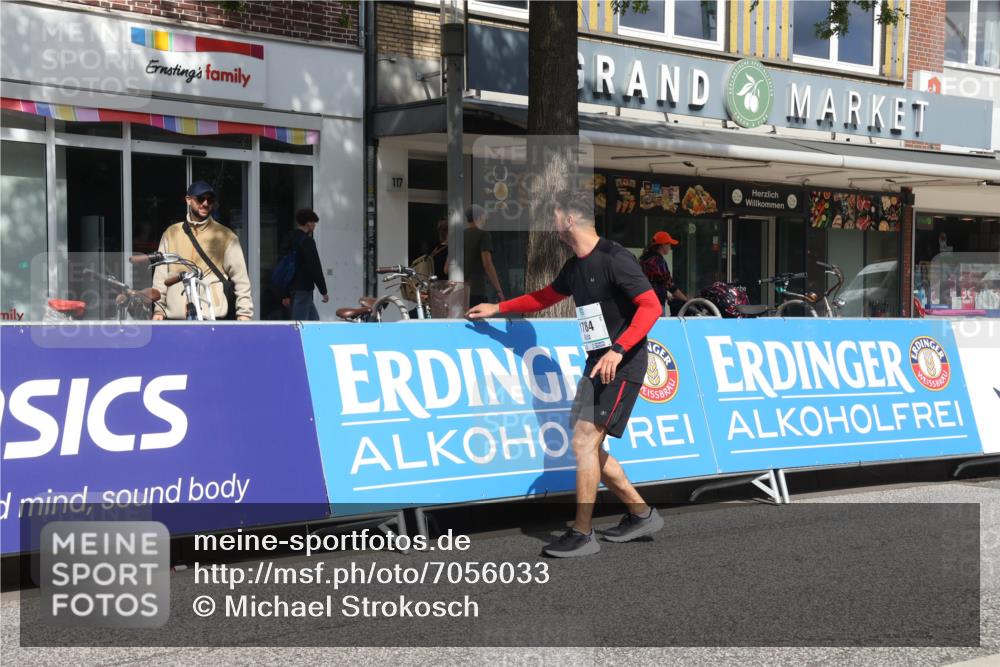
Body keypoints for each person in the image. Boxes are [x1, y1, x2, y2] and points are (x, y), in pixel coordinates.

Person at [467, 190, 664, 558]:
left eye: (554, 217)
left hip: (623, 363)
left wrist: (618, 350)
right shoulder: (575, 267)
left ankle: (582, 532)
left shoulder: (614, 258)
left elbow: (651, 306)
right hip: (597, 363)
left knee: (583, 442)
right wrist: (497, 308)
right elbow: (543, 298)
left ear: (570, 219)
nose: (551, 225)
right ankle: (640, 512)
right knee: (588, 446)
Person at [152, 181, 252, 320]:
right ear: (188, 200)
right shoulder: (171, 233)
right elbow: (160, 277)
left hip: (212, 315)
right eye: (200, 198)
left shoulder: (226, 236)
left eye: (210, 200)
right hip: (176, 317)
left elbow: (241, 278)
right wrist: (159, 310)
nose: (205, 203)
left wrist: (244, 313)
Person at [280, 208, 329, 321]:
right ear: (308, 223)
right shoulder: (307, 241)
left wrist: (285, 294)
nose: (314, 225)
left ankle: (316, 338)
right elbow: (315, 267)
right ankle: (293, 339)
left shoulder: (289, 238)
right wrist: (323, 291)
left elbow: (283, 266)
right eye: (314, 222)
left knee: (314, 320)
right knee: (299, 323)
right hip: (303, 288)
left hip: (290, 287)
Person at [639, 231, 688, 316]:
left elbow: (652, 282)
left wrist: (666, 295)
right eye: (669, 244)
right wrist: (686, 300)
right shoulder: (657, 261)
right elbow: (669, 284)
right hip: (655, 303)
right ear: (662, 245)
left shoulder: (645, 258)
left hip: (644, 301)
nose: (670, 247)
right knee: (659, 327)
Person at [464, 205, 504, 306]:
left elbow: (447, 268)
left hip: (459, 290)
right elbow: (488, 265)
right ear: (480, 217)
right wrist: (499, 291)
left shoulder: (459, 235)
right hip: (476, 289)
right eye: (484, 216)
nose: (485, 219)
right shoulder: (483, 235)